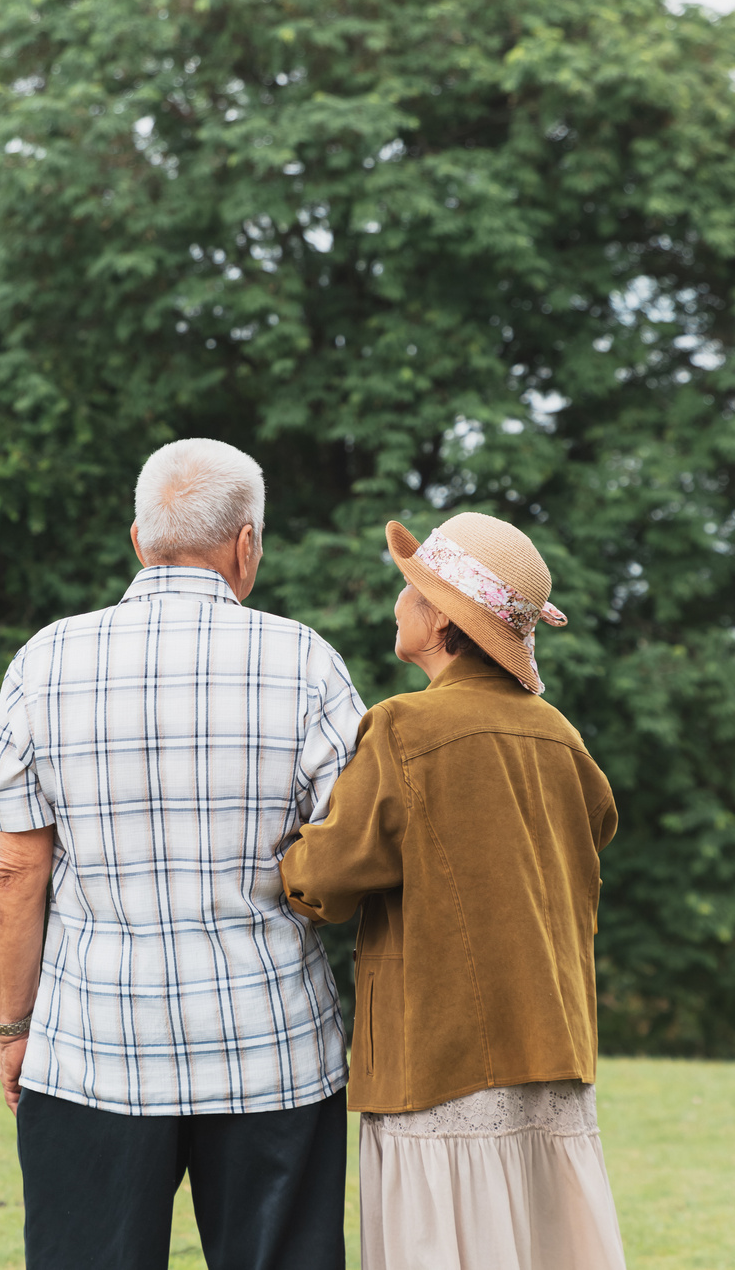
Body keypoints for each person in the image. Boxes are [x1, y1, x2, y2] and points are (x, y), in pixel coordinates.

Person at [0, 438, 365, 1270]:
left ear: (138, 541)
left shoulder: (46, 660)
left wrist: (15, 1026)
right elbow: (357, 850)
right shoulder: (305, 661)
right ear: (246, 545)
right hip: (273, 1050)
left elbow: (14, 870)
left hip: (90, 1052)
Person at [280, 511, 627, 1270]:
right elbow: (596, 828)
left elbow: (321, 881)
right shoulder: (563, 736)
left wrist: (287, 841)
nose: (395, 605)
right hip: (554, 1047)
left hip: (441, 1059)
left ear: (440, 618)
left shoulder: (403, 727)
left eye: (409, 591)